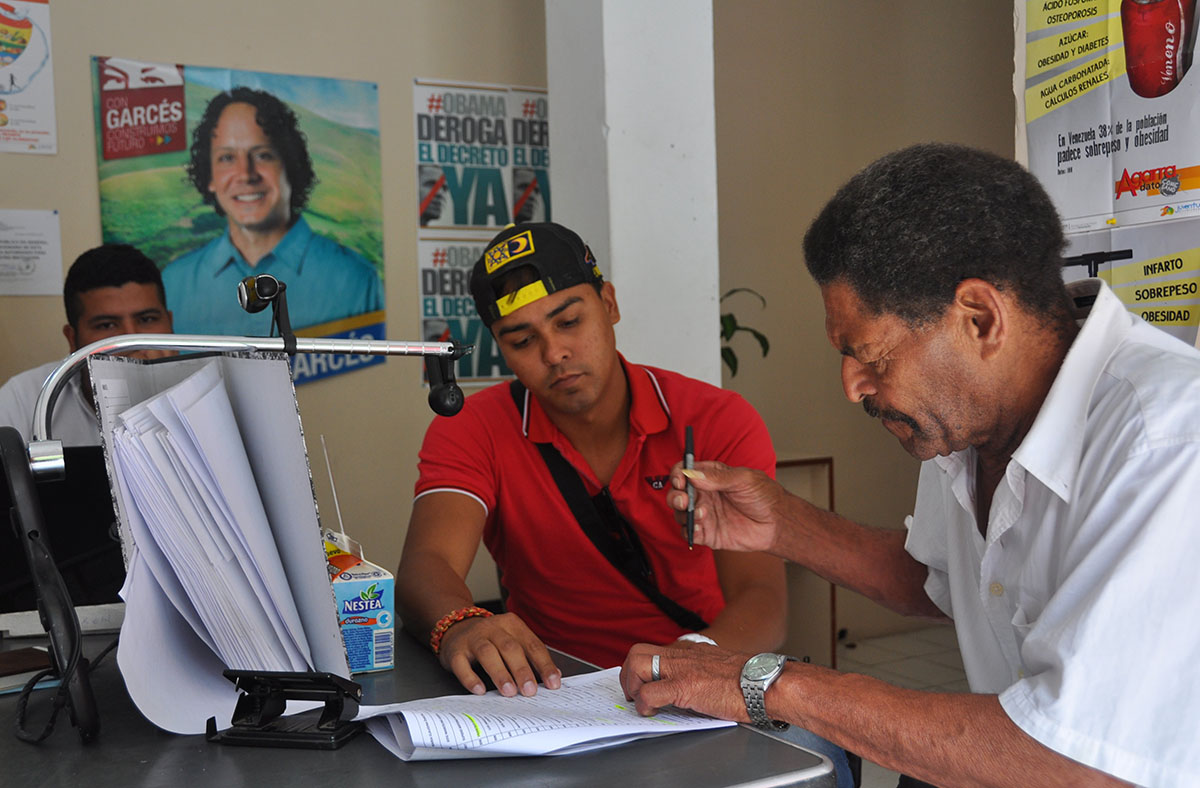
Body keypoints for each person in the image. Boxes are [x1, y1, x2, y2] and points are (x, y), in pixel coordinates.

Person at [619, 143, 1200, 787]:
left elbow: (1076, 757)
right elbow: (937, 578)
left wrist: (767, 684)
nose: (853, 385)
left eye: (871, 356)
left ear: (979, 318)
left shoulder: (1167, 441)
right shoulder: (966, 418)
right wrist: (781, 525)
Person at [397, 221, 856, 787]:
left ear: (608, 304)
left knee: (814, 760)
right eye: (522, 340)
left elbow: (763, 602)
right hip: (552, 693)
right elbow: (427, 566)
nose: (555, 352)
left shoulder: (715, 420)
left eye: (569, 321)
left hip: (700, 676)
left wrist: (691, 663)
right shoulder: (472, 429)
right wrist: (462, 623)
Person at [162, 86, 383, 336]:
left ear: (290, 165)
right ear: (209, 175)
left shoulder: (357, 281)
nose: (246, 174)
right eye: (226, 158)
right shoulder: (173, 284)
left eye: (263, 155)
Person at [0, 244, 174, 446]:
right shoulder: (25, 398)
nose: (130, 339)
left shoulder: (210, 390)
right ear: (72, 339)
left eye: (147, 319)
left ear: (170, 323)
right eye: (107, 325)